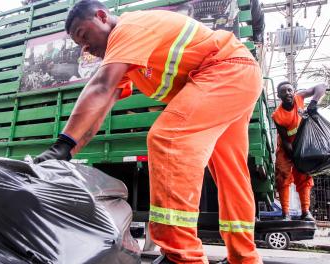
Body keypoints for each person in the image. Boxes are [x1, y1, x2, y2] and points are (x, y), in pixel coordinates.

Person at [34, 1, 263, 263]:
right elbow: (101, 106)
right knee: (230, 173)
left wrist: (61, 144)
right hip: (237, 74)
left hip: (224, 70)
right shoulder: (129, 55)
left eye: (84, 35)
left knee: (169, 139)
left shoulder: (128, 27)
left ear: (102, 16)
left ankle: (181, 255)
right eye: (79, 44)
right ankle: (245, 257)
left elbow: (100, 86)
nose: (85, 47)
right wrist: (67, 152)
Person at [272, 81, 326, 221]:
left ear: (294, 91)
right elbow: (284, 140)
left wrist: (313, 103)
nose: (288, 93)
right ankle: (285, 213)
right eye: (284, 91)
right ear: (279, 95)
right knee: (283, 177)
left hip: (302, 145)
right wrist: (295, 158)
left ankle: (305, 212)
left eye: (290, 90)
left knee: (304, 176)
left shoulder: (299, 97)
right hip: (286, 149)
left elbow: (321, 86)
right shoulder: (278, 115)